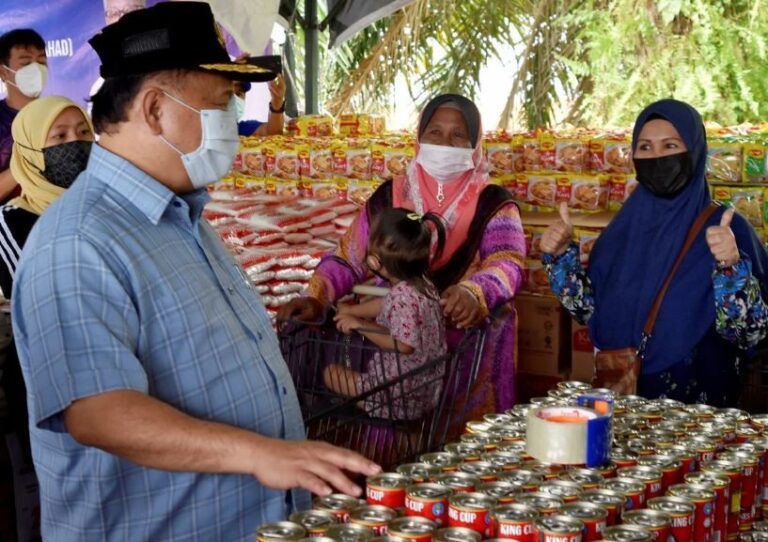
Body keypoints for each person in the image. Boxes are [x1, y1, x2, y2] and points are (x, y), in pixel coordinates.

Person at [11, 3, 379, 541]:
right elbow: (98, 411)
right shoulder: (78, 241)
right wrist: (257, 454)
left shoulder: (182, 213)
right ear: (156, 109)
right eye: (218, 105)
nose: (230, 122)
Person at [280, 94, 527, 419]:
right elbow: (348, 257)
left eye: (458, 135)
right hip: (405, 333)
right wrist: (315, 296)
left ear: (475, 144)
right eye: (434, 133)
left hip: (466, 335)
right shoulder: (390, 196)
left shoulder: (493, 201)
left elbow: (507, 262)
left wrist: (474, 292)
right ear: (419, 138)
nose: (445, 143)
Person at [540, 99, 768, 406]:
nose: (657, 156)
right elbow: (589, 311)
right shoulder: (622, 232)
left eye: (671, 145)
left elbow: (749, 336)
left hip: (699, 416)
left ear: (695, 152)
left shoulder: (729, 230)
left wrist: (731, 266)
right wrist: (559, 258)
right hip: (624, 405)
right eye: (645, 147)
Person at [0, 96, 94, 542]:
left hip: (111, 378)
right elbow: (42, 296)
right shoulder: (12, 224)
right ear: (30, 150)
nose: (74, 145)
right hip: (45, 383)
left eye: (83, 133)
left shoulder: (105, 208)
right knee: (55, 497)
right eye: (58, 138)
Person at [324, 208, 448, 420]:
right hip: (426, 385)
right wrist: (353, 310)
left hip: (397, 391)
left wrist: (359, 324)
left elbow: (404, 344)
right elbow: (386, 303)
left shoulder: (403, 296)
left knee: (331, 374)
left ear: (375, 261)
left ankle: (370, 405)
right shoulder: (421, 285)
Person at [0, 29, 47, 205]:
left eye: (42, 62)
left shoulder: (60, 115)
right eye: (26, 64)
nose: (37, 70)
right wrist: (26, 162)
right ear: (3, 72)